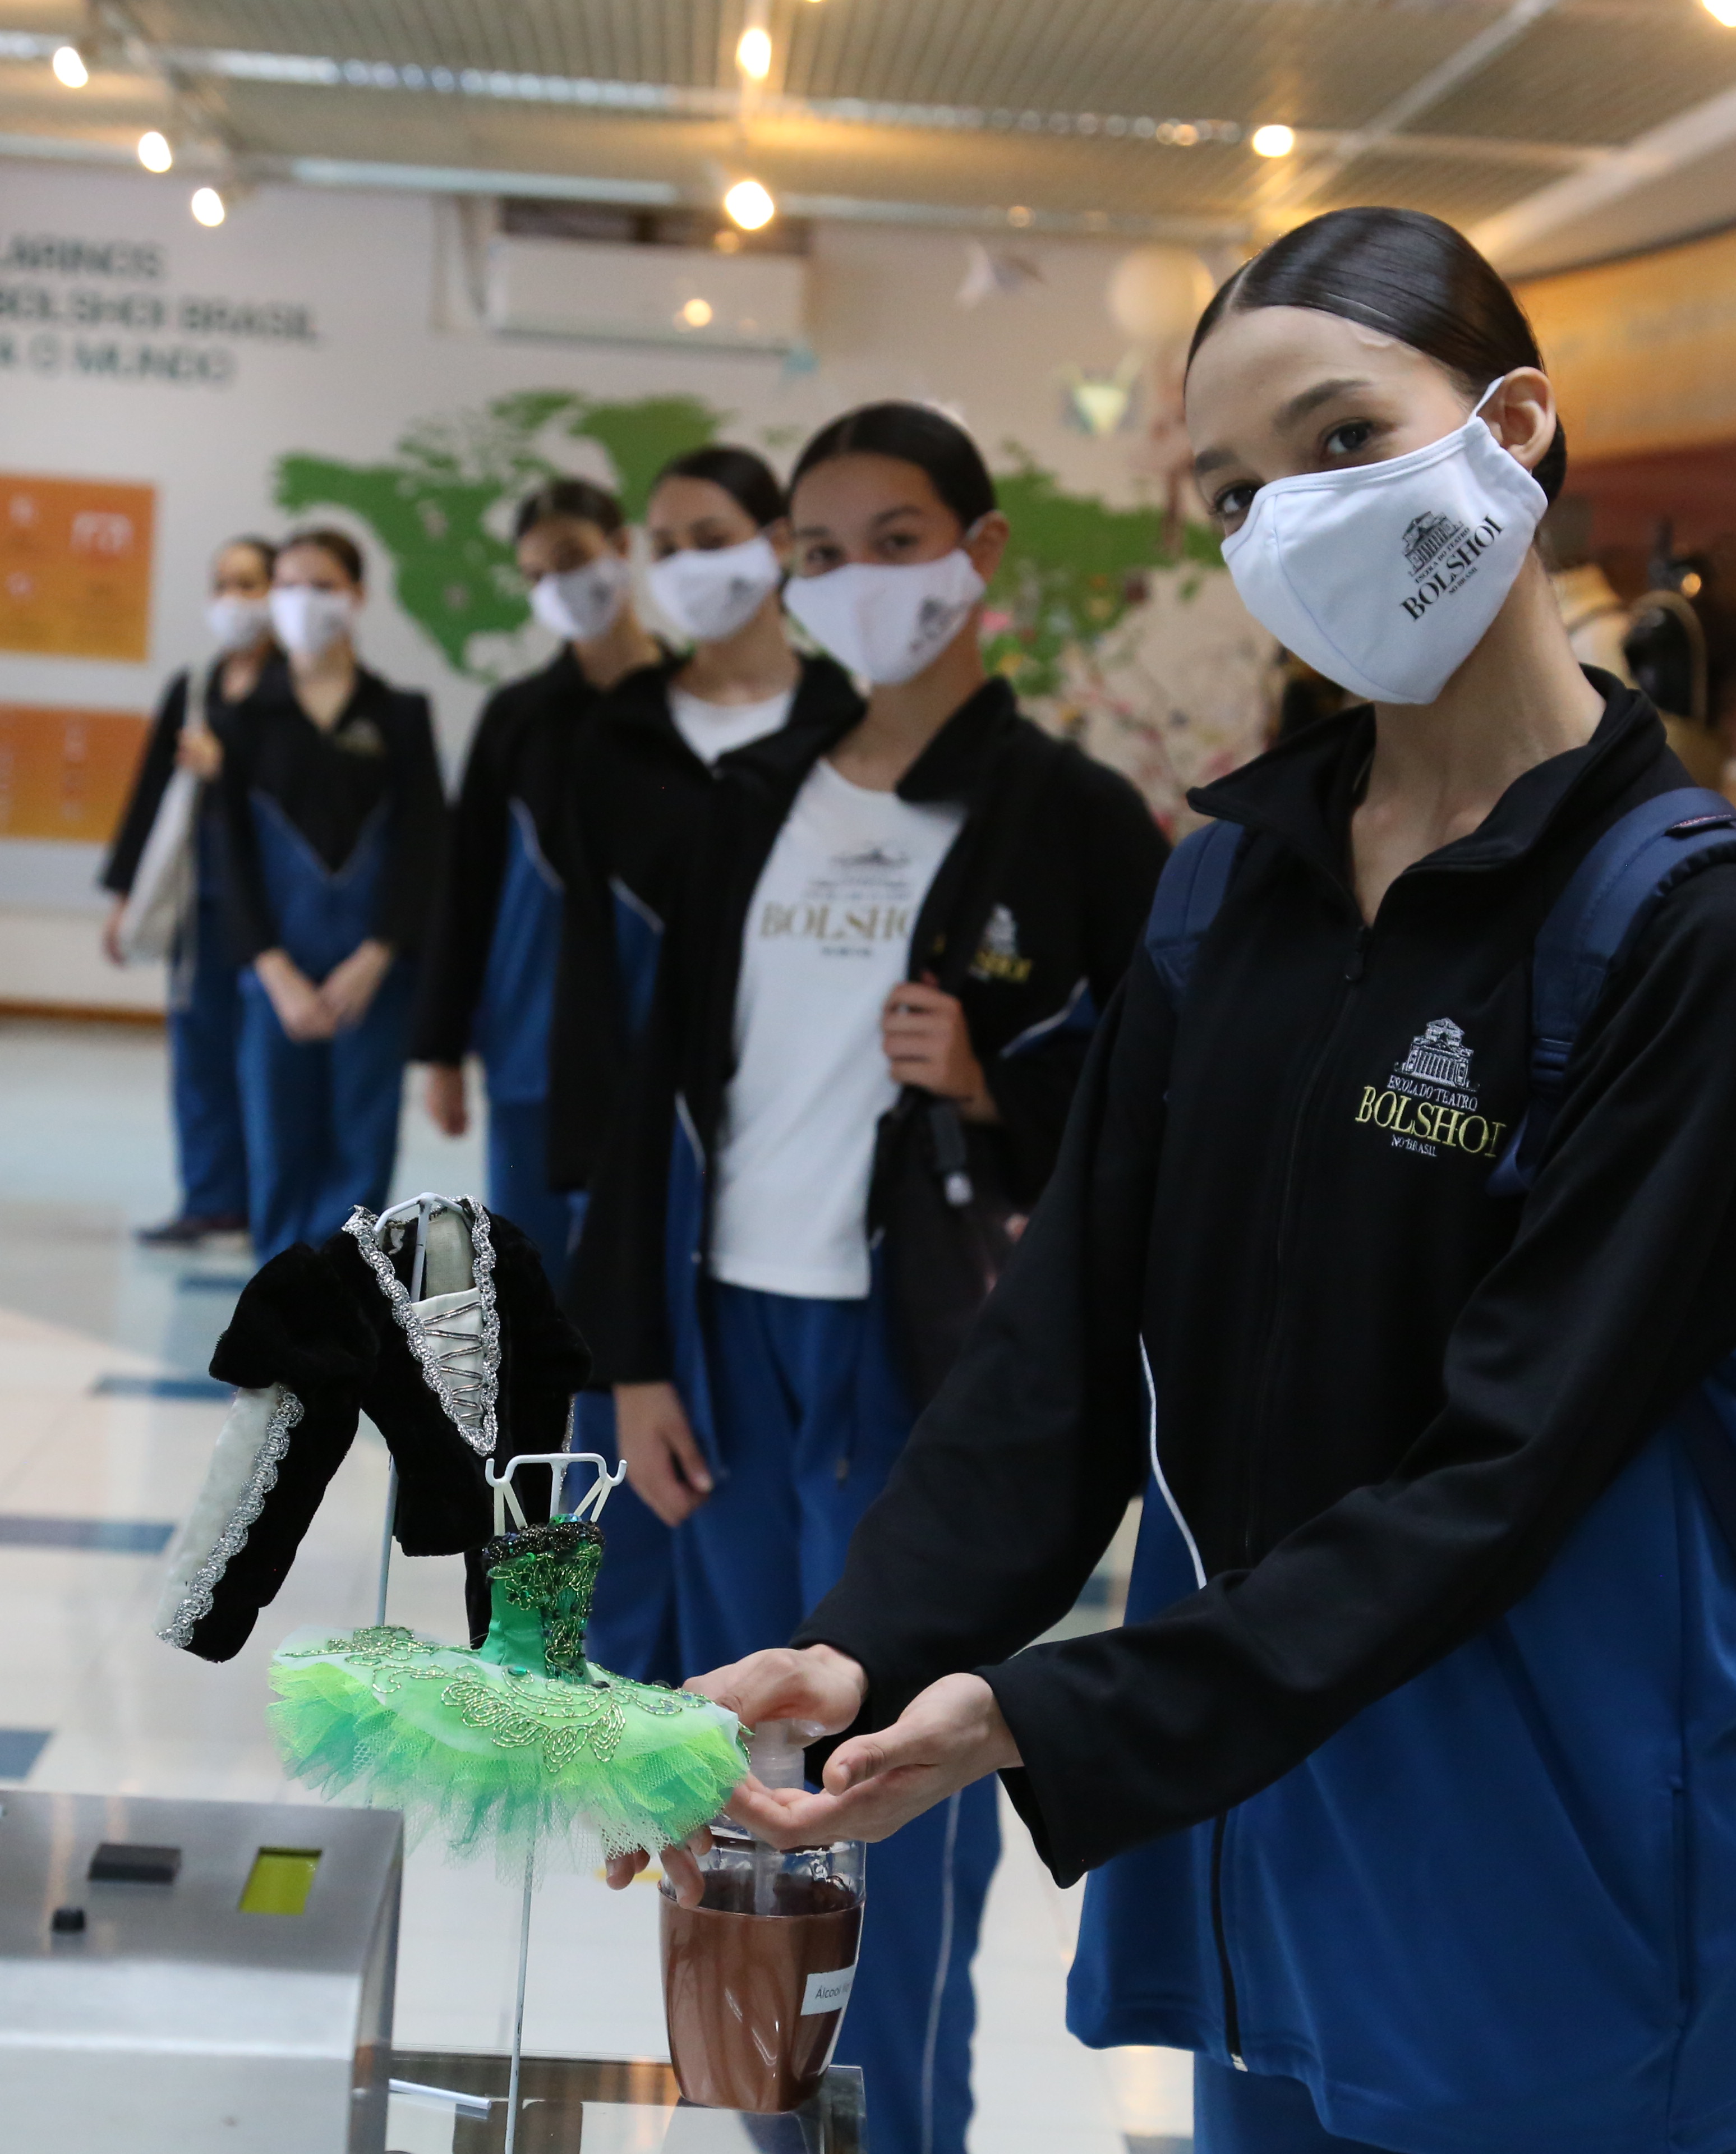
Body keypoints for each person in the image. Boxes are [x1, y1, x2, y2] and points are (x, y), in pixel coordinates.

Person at [657, 210, 1736, 2154]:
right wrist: (879, 1642)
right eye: (1239, 490)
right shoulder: (1231, 888)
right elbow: (1066, 1337)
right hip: (1250, 1808)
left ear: (1513, 424)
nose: (1296, 520)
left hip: (1528, 1835)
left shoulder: (1677, 922)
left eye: (1347, 439)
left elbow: (1506, 1469)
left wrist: (1050, 1713)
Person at [579, 402, 1172, 2154]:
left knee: (883, 1796)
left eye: (896, 539)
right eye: (819, 552)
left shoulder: (1074, 823)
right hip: (723, 1341)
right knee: (739, 1780)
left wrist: (997, 1076)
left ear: (981, 556)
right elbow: (652, 1093)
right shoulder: (742, 801)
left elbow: (1155, 1119)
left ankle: (894, 2136)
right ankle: (781, 2132)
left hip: (925, 1364)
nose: (855, 582)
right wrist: (636, 1359)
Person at [549, 443, 862, 1687]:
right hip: (638, 1162)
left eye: (711, 535)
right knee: (630, 1486)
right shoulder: (608, 737)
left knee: (777, 1507)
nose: (686, 566)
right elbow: (582, 974)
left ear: (780, 541)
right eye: (663, 545)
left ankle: (778, 1745)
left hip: (800, 1159)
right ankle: (627, 1747)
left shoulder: (851, 727)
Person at [411, 477, 660, 1262]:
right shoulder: (518, 717)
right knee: (534, 1284)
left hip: (655, 1047)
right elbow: (467, 881)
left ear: (622, 550)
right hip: (531, 1049)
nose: (557, 587)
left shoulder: (695, 708)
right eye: (536, 576)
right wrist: (443, 1049)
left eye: (572, 559)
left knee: (641, 1277)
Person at [221, 526, 445, 1260]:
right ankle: (279, 1336)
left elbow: (422, 848)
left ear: (358, 598)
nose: (302, 602)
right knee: (278, 1152)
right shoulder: (246, 717)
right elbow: (226, 856)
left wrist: (377, 957)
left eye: (322, 586)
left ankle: (344, 1334)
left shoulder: (400, 714)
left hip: (372, 978)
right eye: (286, 587)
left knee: (360, 1154)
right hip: (273, 977)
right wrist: (274, 972)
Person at [101, 534, 275, 1247]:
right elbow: (150, 797)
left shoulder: (297, 692)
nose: (235, 600)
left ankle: (275, 1204)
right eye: (224, 584)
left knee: (266, 1065)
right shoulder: (194, 690)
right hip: (200, 910)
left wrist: (229, 765)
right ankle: (212, 1200)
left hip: (272, 912)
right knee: (200, 1058)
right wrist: (123, 900)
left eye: (250, 583)